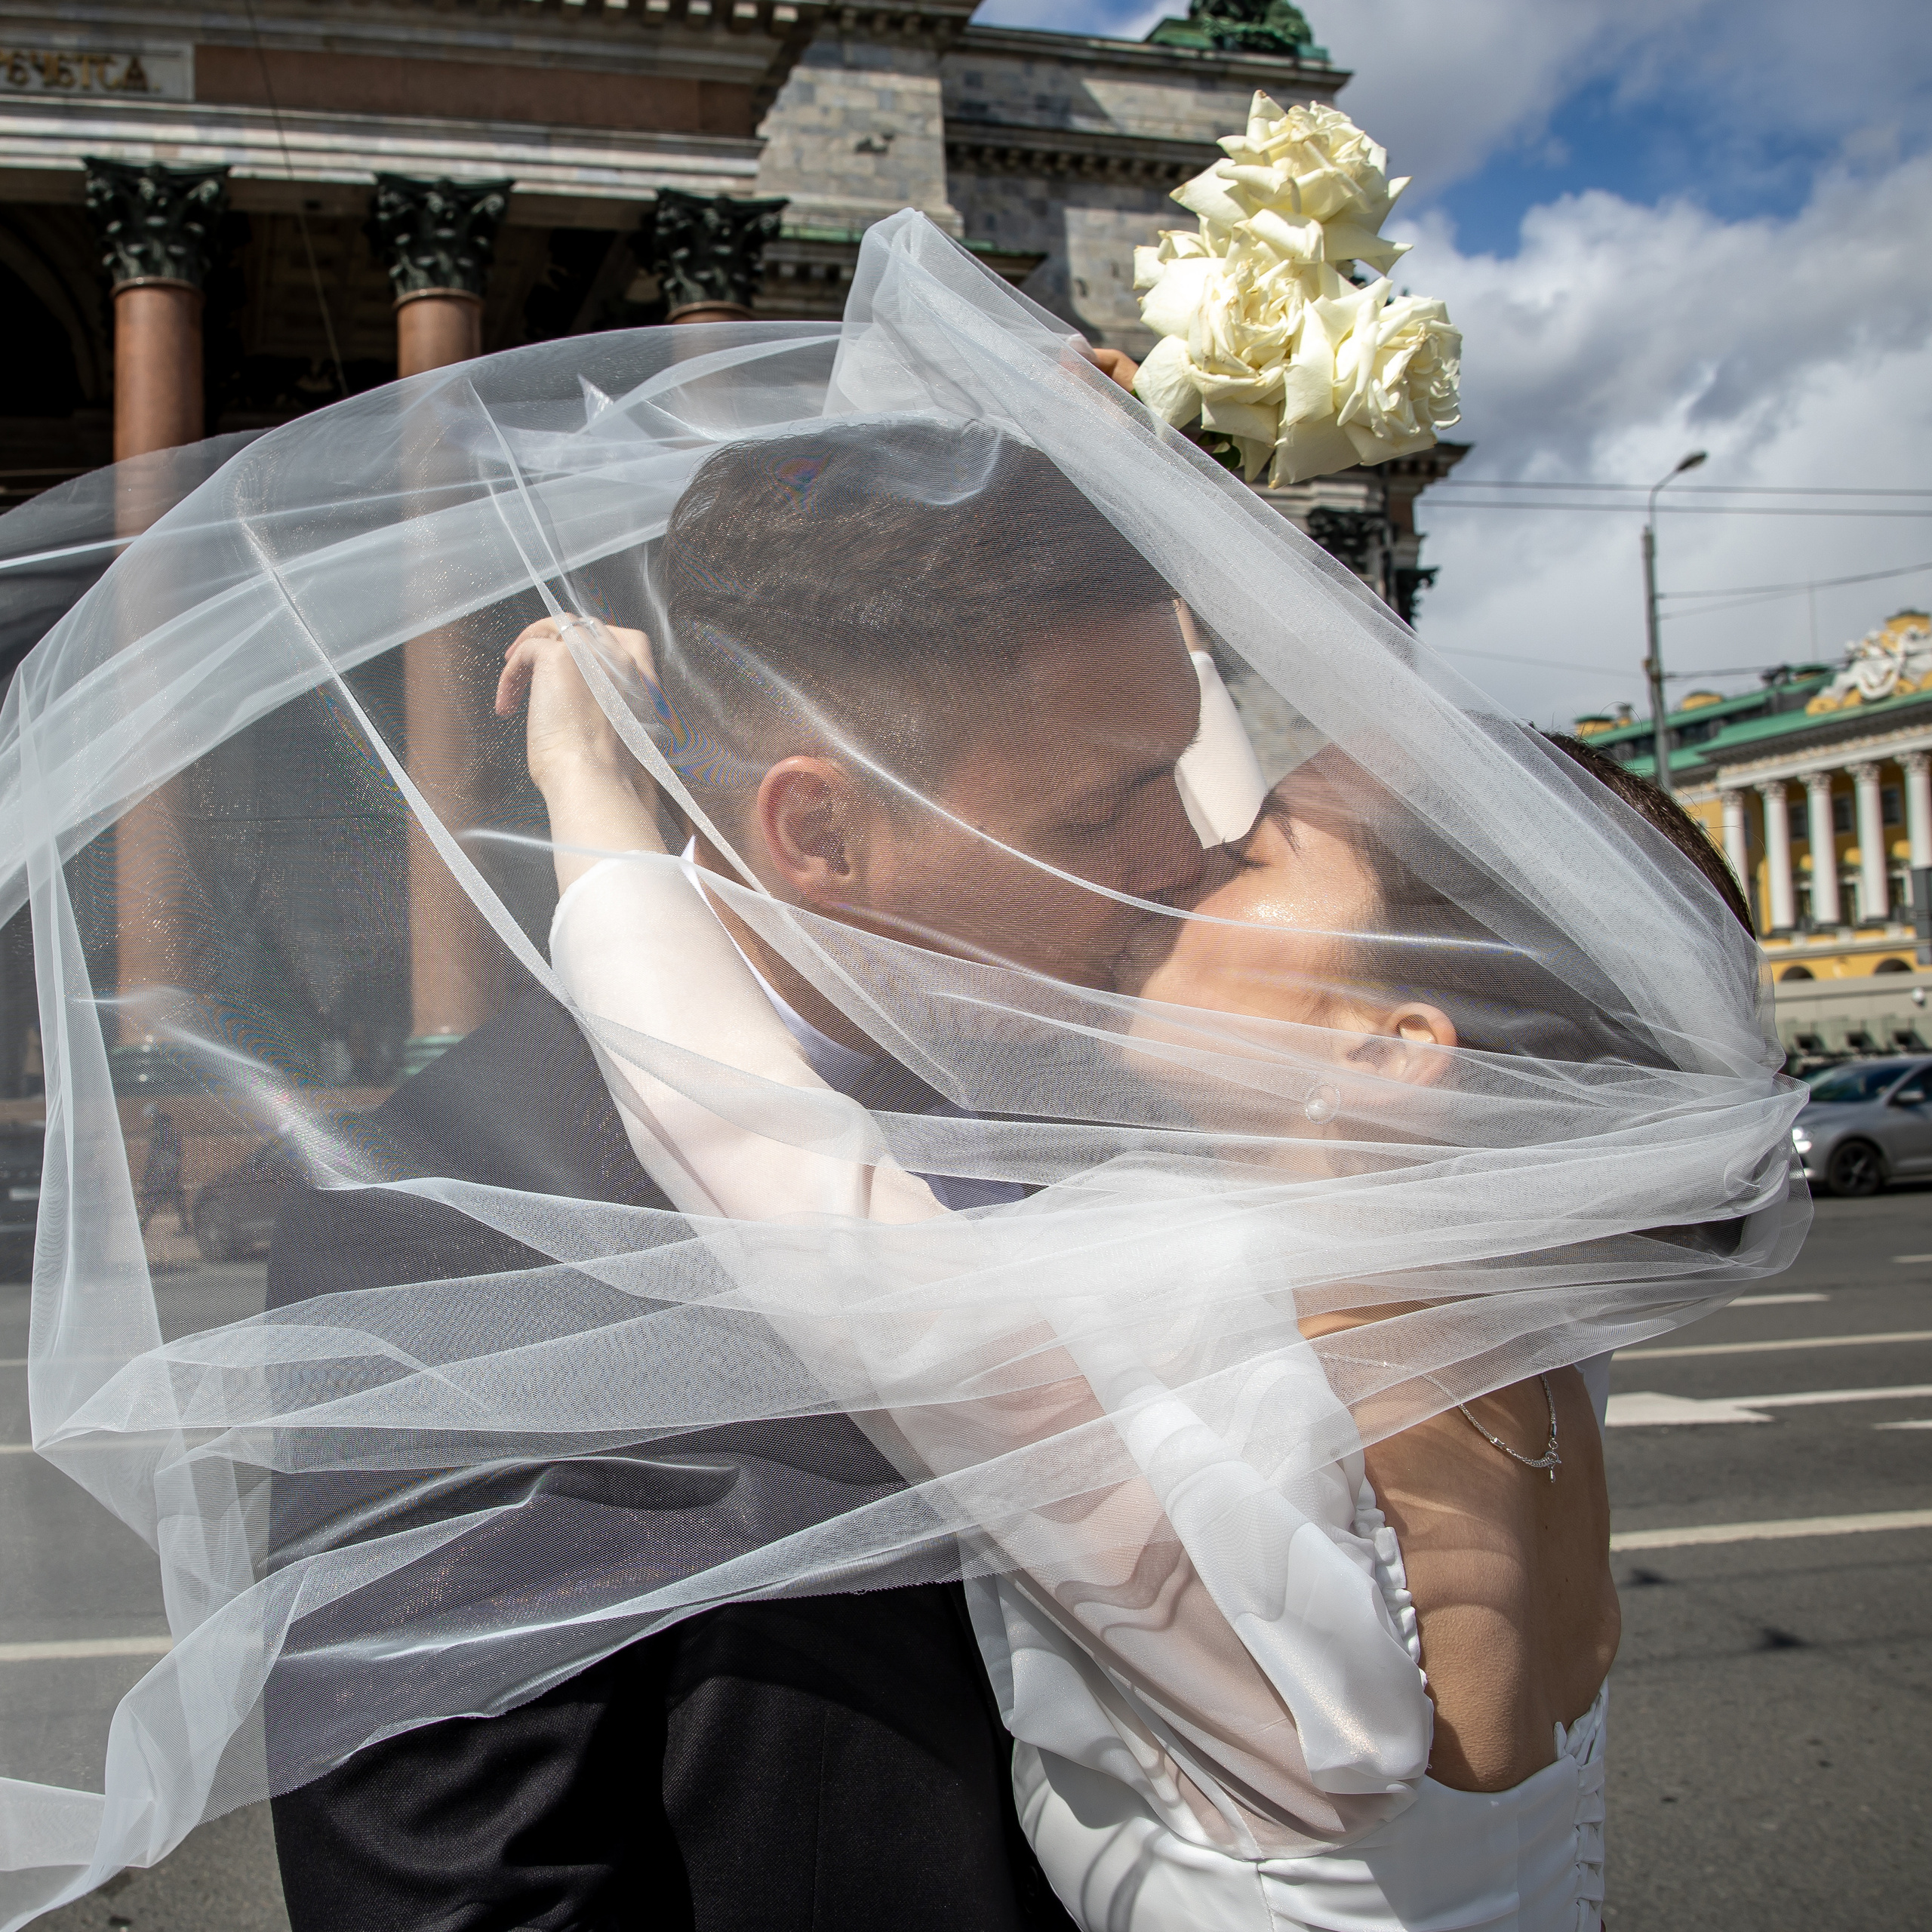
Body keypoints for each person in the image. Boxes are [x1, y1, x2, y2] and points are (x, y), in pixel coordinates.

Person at [500, 573, 1764, 1930]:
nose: (1178, 861)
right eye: (1142, 804)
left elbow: (762, 1153)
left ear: (1391, 1050)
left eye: (1250, 858)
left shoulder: (1207, 1365)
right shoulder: (1524, 1313)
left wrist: (587, 781)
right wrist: (1134, 543)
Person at [264, 422, 1208, 1932]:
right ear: (816, 828)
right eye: (1101, 810)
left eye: (1176, 770)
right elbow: (466, 1890)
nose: (1184, 857)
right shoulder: (446, 1217)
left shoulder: (1189, 1068)